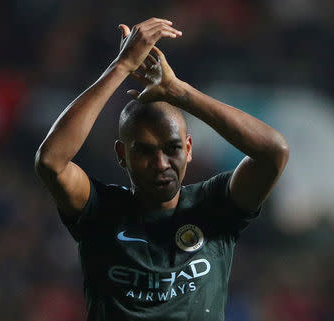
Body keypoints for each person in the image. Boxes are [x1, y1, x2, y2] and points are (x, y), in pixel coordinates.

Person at [35, 17, 288, 321]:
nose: (161, 164)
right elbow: (51, 161)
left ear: (189, 149)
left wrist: (179, 92)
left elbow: (273, 152)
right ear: (121, 154)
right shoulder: (100, 211)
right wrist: (121, 67)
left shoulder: (214, 207)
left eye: (172, 148)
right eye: (144, 151)